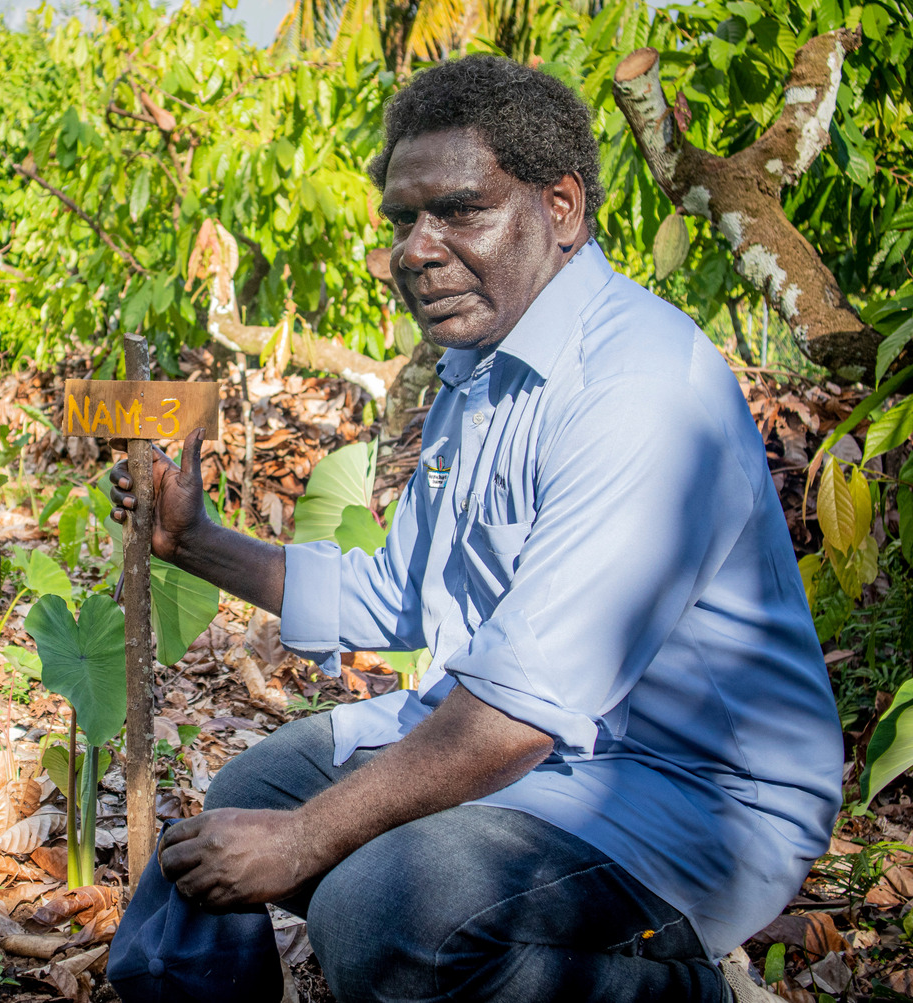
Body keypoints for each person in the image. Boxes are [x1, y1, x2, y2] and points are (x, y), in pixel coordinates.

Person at [108, 55, 843, 1003]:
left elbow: (514, 718)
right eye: (405, 221)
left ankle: (690, 989)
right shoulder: (482, 368)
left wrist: (305, 840)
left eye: (459, 211)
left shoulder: (641, 389)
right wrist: (196, 541)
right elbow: (397, 593)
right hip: (532, 744)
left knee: (383, 911)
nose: (418, 249)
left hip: (688, 794)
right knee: (250, 789)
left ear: (563, 207)